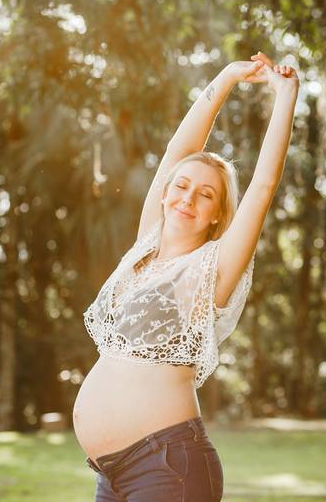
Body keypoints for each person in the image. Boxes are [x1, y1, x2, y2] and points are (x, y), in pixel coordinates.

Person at [73, 51, 299, 502]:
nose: (187, 197)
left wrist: (286, 96)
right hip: (112, 477)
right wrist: (229, 77)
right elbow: (176, 154)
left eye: (206, 194)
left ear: (217, 216)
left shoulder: (211, 270)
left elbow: (263, 186)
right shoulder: (144, 250)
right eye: (181, 185)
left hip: (166, 467)